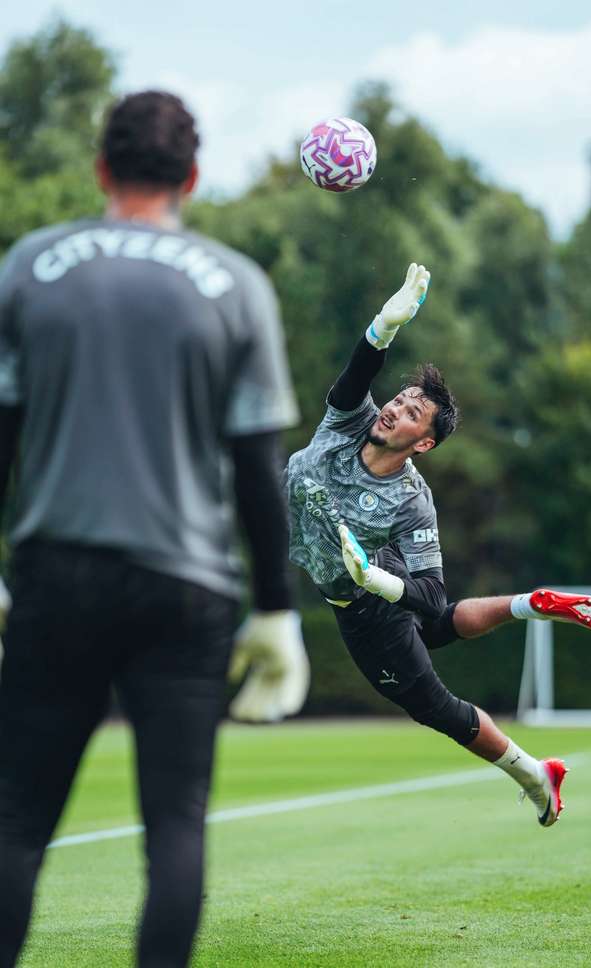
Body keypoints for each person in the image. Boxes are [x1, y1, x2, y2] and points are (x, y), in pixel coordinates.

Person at [0, 90, 307, 968]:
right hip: (187, 589)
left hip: (55, 575)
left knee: (16, 819)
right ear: (193, 177)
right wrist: (278, 609)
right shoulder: (237, 284)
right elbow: (257, 468)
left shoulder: (29, 265)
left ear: (100, 167)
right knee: (173, 826)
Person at [287, 262, 591, 830]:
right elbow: (357, 372)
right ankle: (526, 604)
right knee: (437, 626)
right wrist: (385, 325)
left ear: (425, 443)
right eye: (399, 400)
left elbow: (429, 589)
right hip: (364, 577)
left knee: (434, 706)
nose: (393, 408)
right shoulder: (349, 421)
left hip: (370, 606)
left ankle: (535, 775)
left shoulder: (413, 499)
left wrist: (374, 581)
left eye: (412, 413)